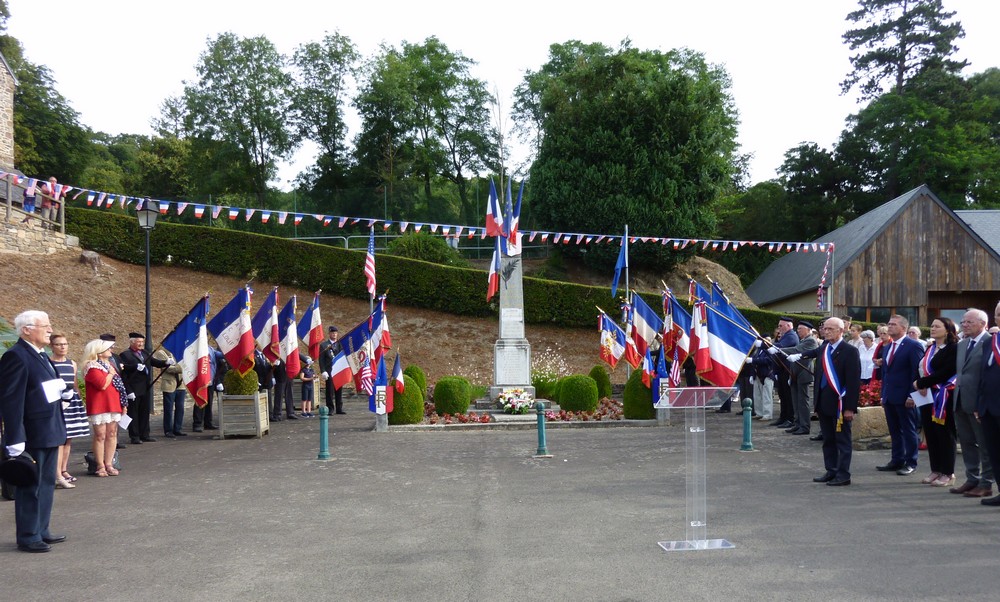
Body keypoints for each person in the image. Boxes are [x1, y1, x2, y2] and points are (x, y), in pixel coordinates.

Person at [0, 310, 68, 552]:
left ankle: (41, 528)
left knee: (47, 483)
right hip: (32, 432)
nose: (50, 330)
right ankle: (28, 535)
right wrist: (15, 438)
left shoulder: (40, 354)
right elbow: (11, 400)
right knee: (31, 485)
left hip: (49, 428)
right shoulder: (16, 356)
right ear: (27, 329)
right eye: (45, 326)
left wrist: (61, 392)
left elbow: (35, 389)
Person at [788, 317, 860, 486]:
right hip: (823, 403)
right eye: (824, 328)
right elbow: (814, 360)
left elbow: (853, 381)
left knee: (842, 441)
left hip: (840, 404)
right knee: (828, 440)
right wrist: (799, 354)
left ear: (841, 331)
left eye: (830, 329)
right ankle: (831, 470)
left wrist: (850, 408)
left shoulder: (849, 351)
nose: (825, 331)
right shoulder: (824, 348)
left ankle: (843, 475)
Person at [951, 308, 994, 498]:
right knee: (967, 443)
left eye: (969, 322)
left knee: (985, 445)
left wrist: (980, 403)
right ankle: (972, 478)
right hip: (960, 400)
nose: (964, 325)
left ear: (983, 324)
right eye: (963, 322)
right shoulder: (963, 344)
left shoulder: (991, 343)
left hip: (979, 404)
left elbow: (988, 377)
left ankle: (986, 483)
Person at [912, 318, 958, 487]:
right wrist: (918, 383)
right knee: (930, 432)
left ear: (947, 330)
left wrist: (923, 383)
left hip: (943, 396)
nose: (932, 328)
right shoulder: (930, 348)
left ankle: (948, 472)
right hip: (926, 395)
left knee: (944, 434)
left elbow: (946, 372)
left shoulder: (953, 348)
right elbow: (921, 369)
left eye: (937, 326)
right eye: (931, 326)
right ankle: (936, 469)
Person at [876, 315, 924, 476]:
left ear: (903, 328)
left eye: (893, 324)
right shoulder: (888, 346)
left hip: (905, 397)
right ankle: (896, 459)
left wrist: (913, 396)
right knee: (894, 430)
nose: (889, 327)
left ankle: (911, 462)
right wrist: (884, 394)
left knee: (908, 430)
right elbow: (886, 373)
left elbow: (916, 372)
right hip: (890, 395)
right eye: (889, 324)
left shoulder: (913, 346)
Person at [82, 337, 128, 477]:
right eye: (108, 348)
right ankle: (100, 464)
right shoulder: (92, 366)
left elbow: (119, 386)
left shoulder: (110, 365)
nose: (111, 350)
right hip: (99, 404)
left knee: (112, 434)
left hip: (113, 403)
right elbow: (102, 384)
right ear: (99, 351)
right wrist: (110, 374)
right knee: (100, 435)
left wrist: (123, 404)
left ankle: (109, 462)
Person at [50, 333, 89, 489]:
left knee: (69, 439)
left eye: (65, 344)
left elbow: (74, 384)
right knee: (59, 439)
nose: (63, 347)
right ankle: (56, 473)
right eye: (59, 344)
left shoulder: (72, 363)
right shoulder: (49, 363)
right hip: (57, 402)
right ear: (51, 346)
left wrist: (78, 400)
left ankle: (64, 470)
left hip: (71, 402)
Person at [119, 332, 170, 444]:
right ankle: (135, 436)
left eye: (142, 342)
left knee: (144, 412)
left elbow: (154, 362)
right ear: (132, 342)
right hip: (133, 388)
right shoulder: (125, 355)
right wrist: (134, 367)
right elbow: (123, 371)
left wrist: (165, 362)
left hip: (145, 387)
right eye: (138, 342)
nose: (141, 344)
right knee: (134, 413)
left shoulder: (145, 353)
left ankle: (145, 434)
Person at [771, 320, 819, 435]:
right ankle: (797, 424)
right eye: (797, 329)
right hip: (795, 374)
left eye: (800, 329)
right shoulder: (802, 340)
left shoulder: (811, 340)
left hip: (804, 374)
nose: (798, 331)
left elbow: (797, 350)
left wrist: (778, 350)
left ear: (808, 330)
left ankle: (804, 426)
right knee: (796, 401)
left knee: (803, 401)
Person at [977, 301, 1000, 507]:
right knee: (995, 452)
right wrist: (979, 404)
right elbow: (983, 376)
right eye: (998, 314)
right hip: (989, 407)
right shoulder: (989, 343)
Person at [770, 317, 800, 429]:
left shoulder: (791, 336)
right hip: (781, 369)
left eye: (781, 326)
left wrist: (766, 344)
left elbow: (780, 347)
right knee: (782, 395)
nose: (779, 328)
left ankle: (790, 418)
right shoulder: (785, 336)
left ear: (788, 326)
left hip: (788, 369)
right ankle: (783, 417)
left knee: (788, 396)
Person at [153, 348, 186, 438]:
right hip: (169, 384)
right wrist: (182, 367)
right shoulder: (161, 353)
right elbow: (168, 369)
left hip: (181, 383)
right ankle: (168, 430)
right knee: (168, 409)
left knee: (180, 408)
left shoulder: (179, 351)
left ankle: (178, 429)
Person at [194, 344, 227, 432]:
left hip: (211, 380)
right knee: (200, 401)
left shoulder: (210, 348)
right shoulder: (198, 347)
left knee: (209, 402)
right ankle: (197, 423)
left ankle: (208, 422)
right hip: (202, 380)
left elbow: (220, 355)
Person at [319, 326, 346, 415]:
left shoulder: (340, 344)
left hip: (339, 370)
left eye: (335, 333)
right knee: (329, 391)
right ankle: (330, 408)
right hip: (329, 370)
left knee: (339, 390)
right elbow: (321, 359)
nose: (334, 335)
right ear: (329, 334)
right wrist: (323, 370)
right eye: (332, 333)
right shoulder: (324, 345)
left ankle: (339, 408)